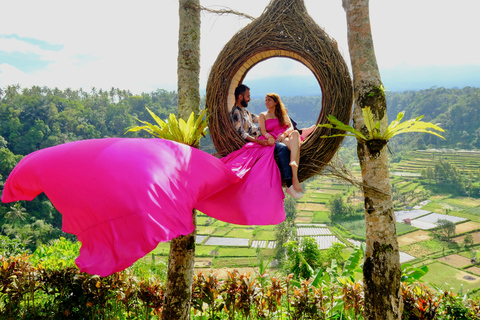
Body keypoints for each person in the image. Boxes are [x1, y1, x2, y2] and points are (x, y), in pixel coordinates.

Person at [231, 84, 303, 199]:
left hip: (269, 135)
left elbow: (260, 119)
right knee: (283, 148)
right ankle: (289, 184)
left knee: (293, 131)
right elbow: (241, 133)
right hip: (262, 139)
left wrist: (280, 113)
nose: (249, 99)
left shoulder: (245, 111)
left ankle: (294, 172)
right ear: (240, 97)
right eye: (247, 96)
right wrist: (259, 141)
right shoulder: (236, 113)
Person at [258, 93, 303, 195]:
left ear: (276, 102)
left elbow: (291, 127)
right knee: (296, 147)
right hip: (274, 139)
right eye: (265, 100)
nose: (266, 102)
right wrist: (269, 137)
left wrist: (284, 134)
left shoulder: (283, 113)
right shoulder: (263, 115)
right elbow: (263, 131)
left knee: (295, 133)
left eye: (269, 100)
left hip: (284, 137)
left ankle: (293, 168)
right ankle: (294, 179)